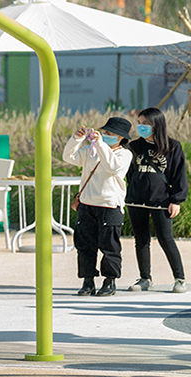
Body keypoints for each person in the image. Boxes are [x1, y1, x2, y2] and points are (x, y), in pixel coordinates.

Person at [63, 117, 133, 297]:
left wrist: (101, 144)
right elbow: (68, 157)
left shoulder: (124, 154)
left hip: (110, 205)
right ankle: (88, 281)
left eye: (110, 133)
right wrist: (76, 139)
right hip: (87, 204)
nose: (105, 135)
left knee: (110, 246)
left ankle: (110, 281)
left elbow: (112, 167)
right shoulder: (91, 151)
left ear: (121, 138)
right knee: (84, 245)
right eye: (104, 132)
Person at [125, 108, 188, 293]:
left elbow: (179, 176)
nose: (140, 126)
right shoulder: (133, 147)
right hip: (136, 201)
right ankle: (145, 278)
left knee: (166, 238)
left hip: (161, 201)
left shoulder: (173, 147)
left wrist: (176, 200)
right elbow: (129, 173)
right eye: (139, 123)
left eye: (145, 123)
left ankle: (179, 279)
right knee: (141, 239)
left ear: (156, 124)